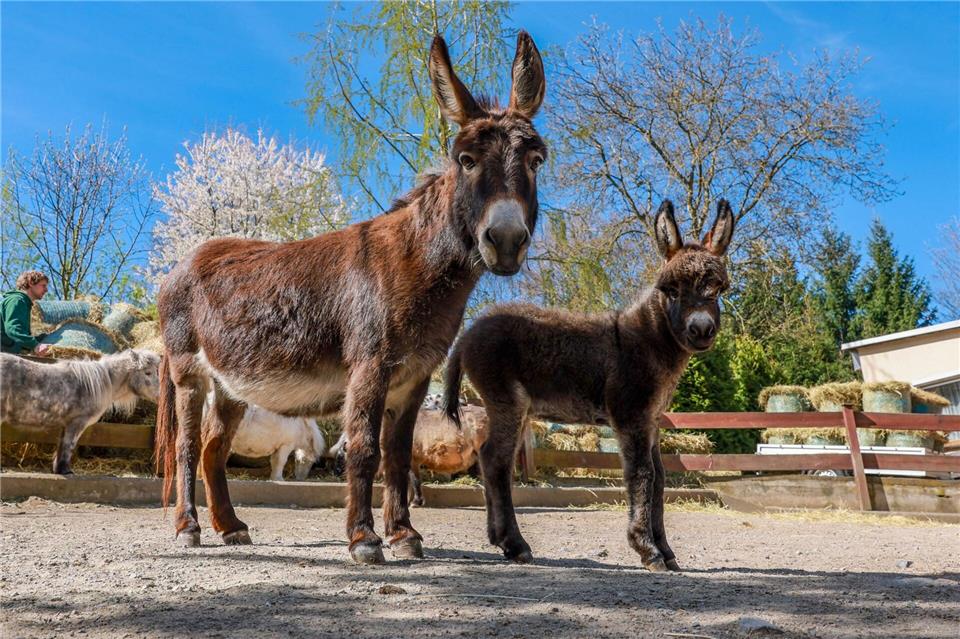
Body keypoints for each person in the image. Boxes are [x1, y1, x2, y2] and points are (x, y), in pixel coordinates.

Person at [1, 270, 51, 356]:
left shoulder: (23, 303)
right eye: (43, 285)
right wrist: (35, 345)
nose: (46, 290)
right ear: (31, 283)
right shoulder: (17, 300)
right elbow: (13, 330)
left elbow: (17, 337)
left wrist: (42, 338)